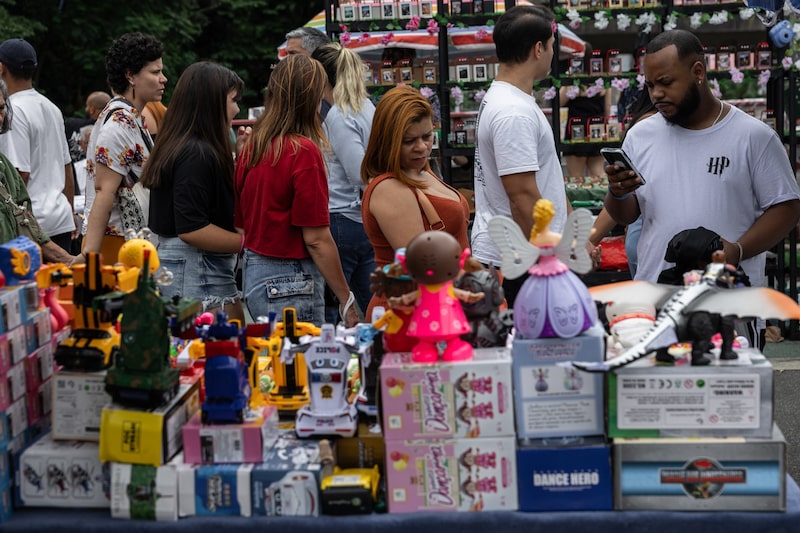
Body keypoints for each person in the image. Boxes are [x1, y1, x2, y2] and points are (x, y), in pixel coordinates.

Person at [604, 29, 800, 291]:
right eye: (651, 85)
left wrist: (737, 251)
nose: (656, 94)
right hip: (655, 297)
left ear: (698, 72)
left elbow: (786, 208)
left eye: (666, 82)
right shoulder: (640, 136)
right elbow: (628, 214)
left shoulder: (754, 136)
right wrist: (617, 192)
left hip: (729, 300)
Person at [234, 54, 359, 328]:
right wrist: (346, 298)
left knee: (275, 365)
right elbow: (316, 238)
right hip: (290, 278)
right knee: (299, 366)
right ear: (310, 98)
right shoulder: (302, 151)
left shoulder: (253, 147)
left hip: (256, 273)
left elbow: (241, 222)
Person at [470, 5, 570, 308]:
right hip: (524, 260)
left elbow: (540, 178)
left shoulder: (510, 100)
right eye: (552, 47)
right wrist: (547, 260)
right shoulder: (513, 111)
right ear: (539, 49)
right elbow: (522, 196)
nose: (553, 55)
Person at [140, 62, 245, 324]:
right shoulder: (196, 153)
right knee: (224, 353)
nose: (237, 109)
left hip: (191, 269)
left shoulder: (184, 146)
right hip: (197, 272)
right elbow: (192, 228)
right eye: (233, 100)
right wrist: (252, 245)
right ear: (213, 102)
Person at [361, 85, 471, 321]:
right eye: (409, 140)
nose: (421, 147)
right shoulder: (389, 187)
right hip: (408, 316)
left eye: (427, 136)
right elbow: (423, 267)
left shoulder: (421, 171)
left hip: (437, 305)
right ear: (387, 140)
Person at [78, 32, 167, 266]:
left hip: (126, 242)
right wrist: (90, 257)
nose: (163, 79)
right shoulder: (119, 122)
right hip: (116, 245)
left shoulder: (131, 117)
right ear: (130, 76)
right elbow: (104, 192)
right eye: (155, 72)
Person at [311, 42, 376, 323]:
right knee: (374, 306)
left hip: (341, 219)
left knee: (336, 310)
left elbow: (358, 172)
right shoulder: (364, 106)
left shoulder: (339, 115)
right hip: (360, 219)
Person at [0, 38, 76, 254]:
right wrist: (69, 211)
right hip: (59, 218)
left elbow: (19, 173)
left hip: (31, 227)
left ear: (1, 67)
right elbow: (66, 166)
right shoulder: (51, 107)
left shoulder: (13, 110)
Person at [559, 48, 612, 179]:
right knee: (598, 175)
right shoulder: (602, 81)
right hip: (597, 128)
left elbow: (558, 102)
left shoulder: (574, 80)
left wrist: (569, 81)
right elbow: (608, 109)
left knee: (576, 178)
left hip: (576, 128)